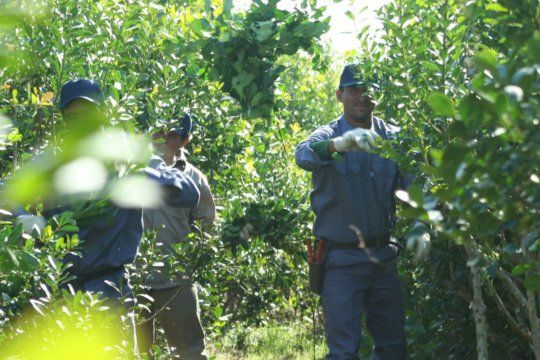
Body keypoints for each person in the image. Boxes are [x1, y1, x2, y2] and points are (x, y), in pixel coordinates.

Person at [50, 79, 201, 300]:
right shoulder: (57, 166)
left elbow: (189, 194)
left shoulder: (128, 156)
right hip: (62, 291)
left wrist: (136, 174)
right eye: (73, 117)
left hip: (109, 290)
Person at [295, 64, 408, 359]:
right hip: (341, 261)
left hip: (384, 258)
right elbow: (303, 154)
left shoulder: (394, 138)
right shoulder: (329, 133)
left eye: (367, 90)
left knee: (393, 347)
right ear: (340, 95)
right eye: (354, 90)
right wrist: (338, 145)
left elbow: (418, 191)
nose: (362, 96)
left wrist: (422, 227)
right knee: (344, 351)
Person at [138, 113, 216, 360]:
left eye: (170, 134)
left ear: (184, 140)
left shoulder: (194, 178)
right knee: (131, 352)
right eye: (158, 132)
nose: (161, 139)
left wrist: (189, 265)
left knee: (189, 353)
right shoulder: (131, 172)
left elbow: (207, 225)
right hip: (133, 279)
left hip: (176, 281)